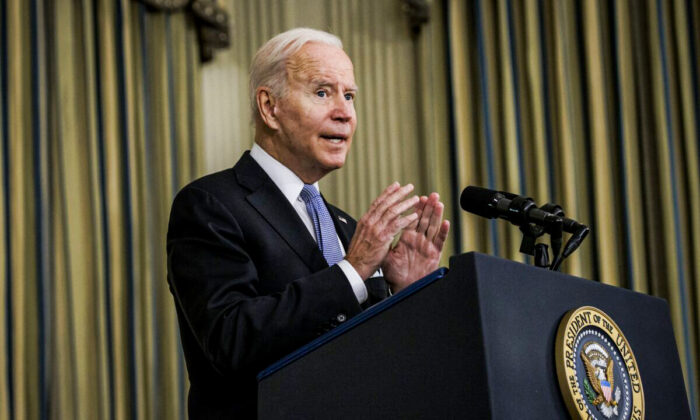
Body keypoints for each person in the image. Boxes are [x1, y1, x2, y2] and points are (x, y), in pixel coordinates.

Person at [166, 27, 450, 418]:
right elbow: (230, 339)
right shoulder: (211, 205)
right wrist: (352, 271)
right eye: (322, 92)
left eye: (349, 96)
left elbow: (380, 362)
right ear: (270, 108)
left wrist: (406, 293)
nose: (345, 111)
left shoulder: (347, 228)